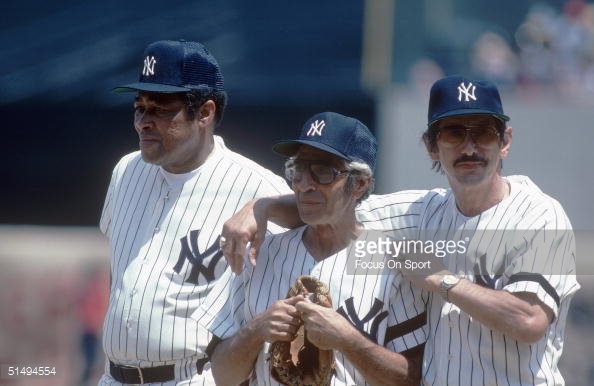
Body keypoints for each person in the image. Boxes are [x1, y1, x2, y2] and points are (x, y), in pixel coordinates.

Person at [219, 76, 580, 385]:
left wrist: (443, 281)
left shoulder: (540, 214)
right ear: (432, 147)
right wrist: (260, 208)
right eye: (454, 133)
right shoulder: (421, 212)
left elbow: (529, 321)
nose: (470, 147)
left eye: (484, 133)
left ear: (505, 141)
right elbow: (335, 207)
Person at [98, 39, 290, 385]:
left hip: (192, 376)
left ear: (204, 113)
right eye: (139, 107)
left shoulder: (254, 185)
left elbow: (330, 217)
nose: (143, 121)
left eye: (159, 109)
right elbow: (120, 275)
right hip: (114, 376)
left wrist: (267, 206)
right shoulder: (125, 171)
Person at [194, 112, 428, 386]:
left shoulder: (392, 260)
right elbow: (221, 375)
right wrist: (255, 331)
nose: (305, 184)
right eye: (298, 170)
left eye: (322, 171)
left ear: (360, 183)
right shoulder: (261, 254)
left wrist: (349, 340)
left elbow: (412, 380)